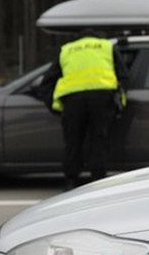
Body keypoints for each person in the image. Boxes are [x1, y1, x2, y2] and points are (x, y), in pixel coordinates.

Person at [40, 30, 129, 191]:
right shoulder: (106, 46)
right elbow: (123, 76)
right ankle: (98, 180)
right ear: (96, 37)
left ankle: (71, 181)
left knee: (73, 141)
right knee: (99, 139)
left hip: (73, 100)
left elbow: (47, 82)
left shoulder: (67, 49)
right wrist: (120, 102)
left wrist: (55, 106)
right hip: (102, 97)